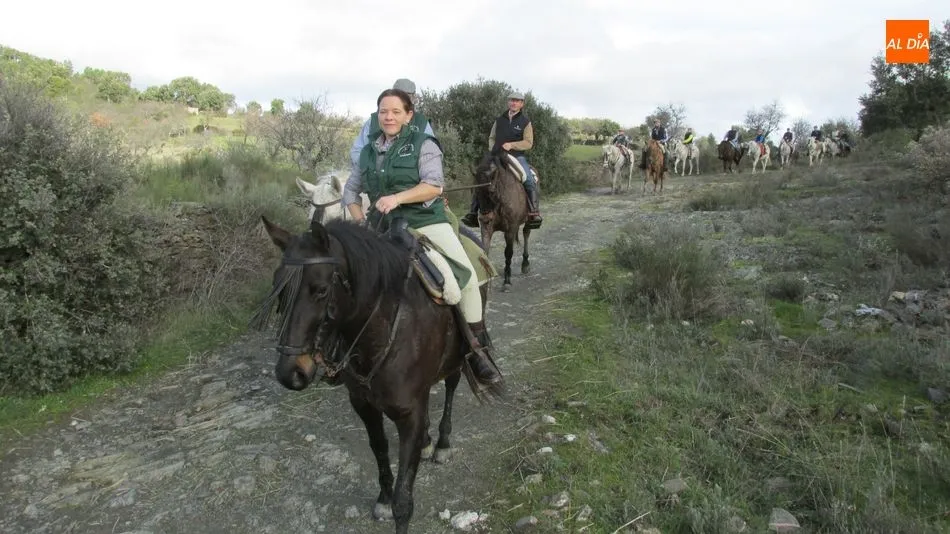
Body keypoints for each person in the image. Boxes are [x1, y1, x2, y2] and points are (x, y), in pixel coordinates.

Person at [342, 88, 502, 388]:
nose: (388, 117)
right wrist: (360, 220)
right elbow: (350, 192)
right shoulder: (367, 151)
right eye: (383, 112)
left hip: (425, 222)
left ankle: (477, 352)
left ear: (408, 115)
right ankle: (341, 352)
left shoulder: (423, 144)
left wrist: (397, 198)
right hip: (383, 228)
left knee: (464, 283)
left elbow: (434, 186)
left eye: (395, 112)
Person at [460, 91, 542, 229]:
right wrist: (494, 149)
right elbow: (491, 137)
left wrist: (512, 145)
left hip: (516, 156)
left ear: (521, 104)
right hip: (496, 155)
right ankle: (473, 213)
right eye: (511, 100)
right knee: (481, 177)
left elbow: (528, 142)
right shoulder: (499, 119)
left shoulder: (525, 122)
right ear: (508, 102)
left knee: (528, 178)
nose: (513, 103)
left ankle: (533, 212)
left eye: (517, 101)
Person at [349, 78, 435, 170]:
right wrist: (369, 170)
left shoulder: (422, 122)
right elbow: (357, 151)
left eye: (407, 96)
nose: (402, 100)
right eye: (399, 95)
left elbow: (432, 156)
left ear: (413, 98)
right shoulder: (373, 120)